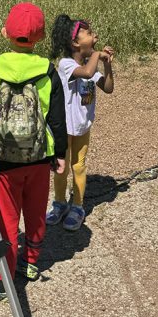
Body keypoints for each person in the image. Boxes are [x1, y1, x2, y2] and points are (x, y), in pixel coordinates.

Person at [0, 2, 67, 300]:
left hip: (5, 158)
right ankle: (31, 262)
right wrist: (60, 153)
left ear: (5, 32)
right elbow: (57, 117)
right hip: (39, 156)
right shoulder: (47, 71)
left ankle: (2, 280)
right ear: (39, 37)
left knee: (7, 218)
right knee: (37, 211)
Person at [45, 15, 114, 231]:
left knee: (79, 166)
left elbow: (108, 87)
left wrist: (108, 66)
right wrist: (96, 55)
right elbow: (85, 72)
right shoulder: (66, 64)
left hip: (83, 127)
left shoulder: (90, 65)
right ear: (75, 43)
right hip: (64, 128)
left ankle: (77, 206)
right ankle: (59, 202)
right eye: (88, 33)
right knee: (60, 167)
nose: (95, 36)